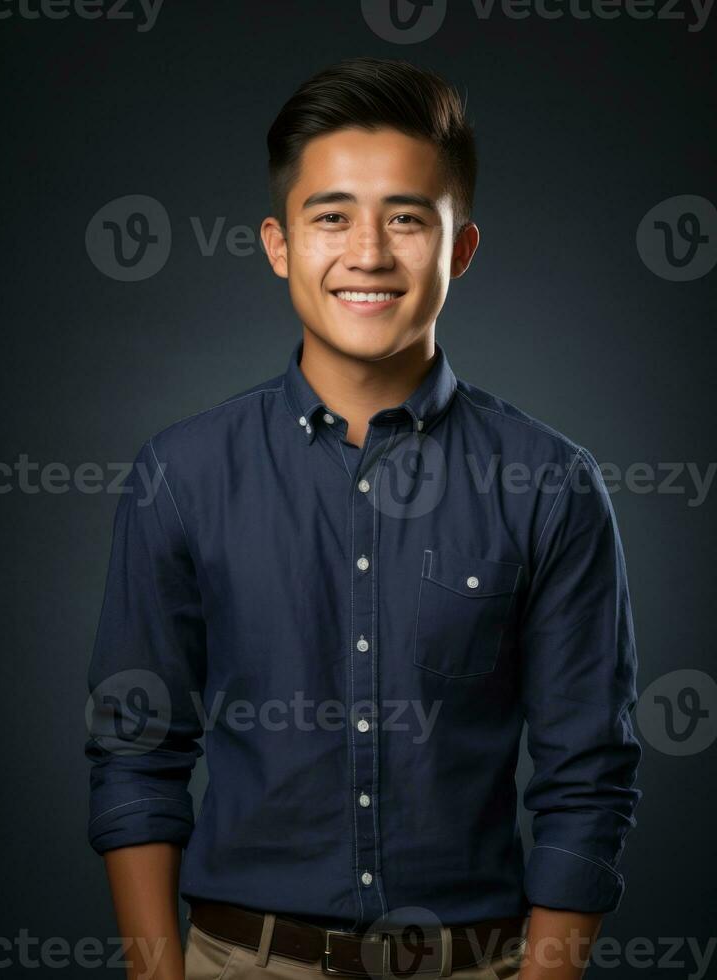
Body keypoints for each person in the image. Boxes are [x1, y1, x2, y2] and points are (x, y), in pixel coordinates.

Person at [85, 56, 642, 980]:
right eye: (331, 216)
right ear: (278, 243)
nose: (370, 253)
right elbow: (135, 752)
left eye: (408, 219)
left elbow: (589, 772)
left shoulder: (552, 484)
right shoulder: (178, 475)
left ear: (459, 248)